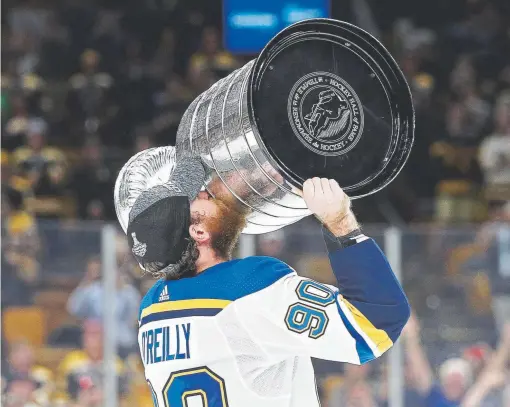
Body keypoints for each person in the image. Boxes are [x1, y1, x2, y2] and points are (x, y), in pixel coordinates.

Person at [124, 171, 410, 407]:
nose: (202, 191)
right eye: (198, 198)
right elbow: (376, 323)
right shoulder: (248, 286)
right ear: (198, 233)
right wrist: (340, 222)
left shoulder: (151, 307)